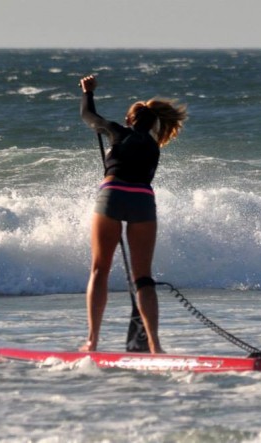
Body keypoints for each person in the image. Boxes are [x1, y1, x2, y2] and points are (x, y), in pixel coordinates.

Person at [78, 75, 187, 354]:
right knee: (143, 278)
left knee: (100, 269)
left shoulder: (117, 132)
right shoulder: (154, 148)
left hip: (112, 194)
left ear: (129, 120)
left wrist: (88, 92)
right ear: (155, 125)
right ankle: (155, 345)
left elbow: (88, 115)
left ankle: (92, 341)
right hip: (142, 201)